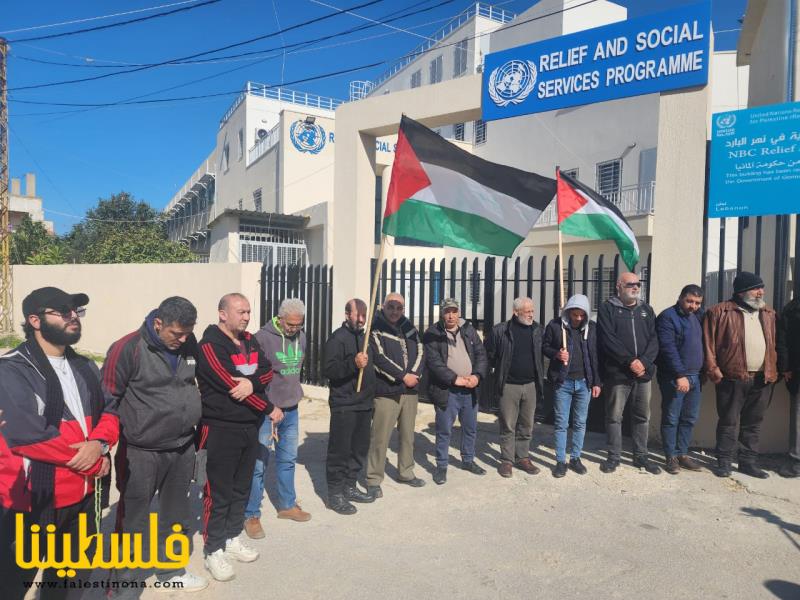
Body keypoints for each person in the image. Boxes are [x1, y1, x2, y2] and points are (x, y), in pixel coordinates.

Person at [0, 287, 119, 600]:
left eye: (75, 311)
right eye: (63, 311)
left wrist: (101, 442)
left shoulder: (84, 366)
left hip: (85, 495)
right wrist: (95, 458)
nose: (73, 317)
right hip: (37, 500)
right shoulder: (12, 369)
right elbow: (28, 435)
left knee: (69, 579)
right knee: (13, 581)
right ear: (35, 320)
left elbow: (110, 411)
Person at [103, 296, 207, 593]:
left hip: (182, 446)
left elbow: (195, 382)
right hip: (141, 452)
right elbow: (108, 398)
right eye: (177, 333)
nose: (183, 339)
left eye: (188, 333)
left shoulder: (188, 343)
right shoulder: (128, 348)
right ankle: (121, 583)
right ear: (158, 323)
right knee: (132, 519)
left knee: (176, 515)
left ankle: (170, 569)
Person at [196, 293, 284, 582]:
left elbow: (267, 371)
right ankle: (213, 549)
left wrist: (252, 383)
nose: (246, 316)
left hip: (249, 426)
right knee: (217, 492)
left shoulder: (249, 340)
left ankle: (232, 538)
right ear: (222, 314)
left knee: (241, 488)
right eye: (240, 311)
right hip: (220, 428)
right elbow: (228, 384)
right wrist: (269, 407)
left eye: (248, 311)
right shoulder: (210, 344)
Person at [245, 298, 310, 539]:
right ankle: (251, 513)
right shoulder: (261, 339)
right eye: (290, 324)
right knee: (259, 463)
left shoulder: (301, 336)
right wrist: (269, 407)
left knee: (288, 459)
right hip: (267, 412)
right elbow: (255, 379)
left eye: (298, 325)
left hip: (291, 409)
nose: (294, 329)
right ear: (279, 318)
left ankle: (286, 505)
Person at [704, 272, 777, 479]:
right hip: (732, 377)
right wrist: (713, 370)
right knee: (728, 421)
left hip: (763, 378)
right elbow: (708, 343)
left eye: (761, 288)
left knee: (753, 423)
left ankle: (748, 463)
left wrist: (774, 370)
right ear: (742, 291)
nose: (761, 292)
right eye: (756, 288)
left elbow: (775, 344)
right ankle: (724, 462)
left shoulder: (769, 312)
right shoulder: (719, 311)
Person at [597, 272, 661, 474]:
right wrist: (629, 361)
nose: (635, 287)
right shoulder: (608, 308)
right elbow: (608, 340)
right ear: (619, 286)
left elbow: (654, 340)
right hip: (618, 374)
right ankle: (613, 457)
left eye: (638, 284)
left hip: (643, 374)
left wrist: (643, 362)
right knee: (614, 416)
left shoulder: (646, 309)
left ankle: (641, 456)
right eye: (630, 284)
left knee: (642, 416)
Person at [366, 293, 425, 499]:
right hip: (386, 391)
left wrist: (414, 375)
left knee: (408, 435)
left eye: (399, 308)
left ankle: (406, 472)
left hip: (410, 391)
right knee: (380, 437)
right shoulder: (375, 327)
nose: (395, 311)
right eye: (391, 307)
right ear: (383, 307)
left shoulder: (408, 327)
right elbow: (378, 358)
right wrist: (402, 376)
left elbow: (420, 350)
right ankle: (373, 479)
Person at [423, 298, 488, 485]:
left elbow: (481, 355)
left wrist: (477, 376)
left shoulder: (468, 330)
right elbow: (434, 363)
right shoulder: (432, 334)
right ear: (442, 314)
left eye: (454, 311)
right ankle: (441, 466)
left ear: (459, 312)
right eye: (447, 311)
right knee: (444, 430)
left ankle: (468, 460)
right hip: (447, 390)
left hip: (469, 389)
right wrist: (454, 378)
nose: (451, 315)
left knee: (470, 428)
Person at [323, 299, 376, 515]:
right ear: (347, 315)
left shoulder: (365, 337)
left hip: (364, 403)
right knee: (340, 451)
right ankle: (335, 494)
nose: (362, 319)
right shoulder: (337, 339)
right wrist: (353, 364)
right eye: (358, 315)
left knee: (358, 449)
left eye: (365, 315)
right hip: (344, 403)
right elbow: (329, 370)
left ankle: (350, 486)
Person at [542, 294, 601, 478]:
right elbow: (544, 347)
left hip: (584, 383)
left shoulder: (591, 328)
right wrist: (557, 354)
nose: (578, 319)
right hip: (563, 382)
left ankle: (575, 458)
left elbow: (595, 357)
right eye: (574, 314)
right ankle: (560, 461)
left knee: (580, 422)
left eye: (581, 315)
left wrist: (597, 382)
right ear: (568, 312)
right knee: (561, 423)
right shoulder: (555, 325)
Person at [485, 297, 544, 478]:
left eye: (532, 310)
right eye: (527, 311)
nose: (531, 314)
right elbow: (489, 353)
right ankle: (507, 460)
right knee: (508, 425)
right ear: (516, 313)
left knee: (526, 425)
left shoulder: (537, 330)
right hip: (509, 385)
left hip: (531, 385)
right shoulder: (500, 331)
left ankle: (523, 457)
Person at [656, 285, 705, 475]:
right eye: (690, 301)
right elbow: (667, 348)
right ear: (680, 298)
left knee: (689, 418)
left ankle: (683, 454)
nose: (693, 306)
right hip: (675, 377)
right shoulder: (667, 317)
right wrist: (680, 375)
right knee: (671, 418)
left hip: (696, 377)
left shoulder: (698, 316)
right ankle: (671, 456)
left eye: (697, 303)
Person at [777, 295, 800, 478]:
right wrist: (785, 368)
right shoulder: (793, 309)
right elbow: (782, 341)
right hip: (798, 371)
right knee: (798, 419)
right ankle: (796, 461)